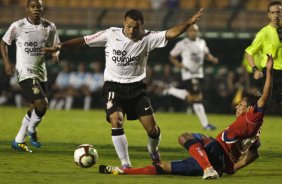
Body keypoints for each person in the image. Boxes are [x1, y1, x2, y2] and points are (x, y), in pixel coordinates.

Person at [42, 8, 204, 168]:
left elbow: (171, 33)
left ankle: (153, 151)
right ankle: (126, 164)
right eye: (128, 26)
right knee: (116, 120)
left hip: (137, 89)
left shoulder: (148, 37)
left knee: (152, 130)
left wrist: (189, 22)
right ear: (123, 23)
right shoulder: (111, 34)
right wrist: (59, 46)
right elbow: (84, 40)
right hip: (113, 87)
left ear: (142, 26)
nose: (131, 30)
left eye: (136, 27)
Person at [99, 54, 274, 180]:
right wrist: (234, 168)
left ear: (250, 108)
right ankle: (122, 171)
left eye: (241, 105)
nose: (237, 106)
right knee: (175, 153)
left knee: (181, 141)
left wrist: (268, 71)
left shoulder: (253, 117)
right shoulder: (255, 133)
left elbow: (265, 97)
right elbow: (254, 154)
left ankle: (207, 168)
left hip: (216, 154)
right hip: (216, 153)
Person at [0, 0, 60, 152]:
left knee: (35, 106)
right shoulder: (18, 26)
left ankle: (18, 140)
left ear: (42, 8)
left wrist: (55, 54)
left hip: (41, 72)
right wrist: (7, 63)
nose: (36, 9)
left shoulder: (49, 26)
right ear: (27, 9)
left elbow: (56, 46)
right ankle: (32, 130)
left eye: (38, 6)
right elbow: (3, 43)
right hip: (24, 72)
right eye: (33, 6)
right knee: (43, 103)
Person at [163, 24, 219, 130]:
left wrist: (212, 59)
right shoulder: (182, 43)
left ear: (198, 32)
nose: (193, 32)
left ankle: (171, 90)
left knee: (193, 98)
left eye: (195, 31)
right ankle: (205, 125)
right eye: (191, 30)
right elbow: (172, 56)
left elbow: (206, 54)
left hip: (199, 73)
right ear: (187, 32)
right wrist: (178, 64)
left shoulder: (202, 42)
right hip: (189, 74)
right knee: (197, 98)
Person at [245, 0, 282, 112]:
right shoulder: (264, 33)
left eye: (278, 12)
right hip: (272, 72)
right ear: (269, 15)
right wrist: (255, 69)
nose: (276, 15)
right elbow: (249, 52)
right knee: (272, 104)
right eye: (273, 12)